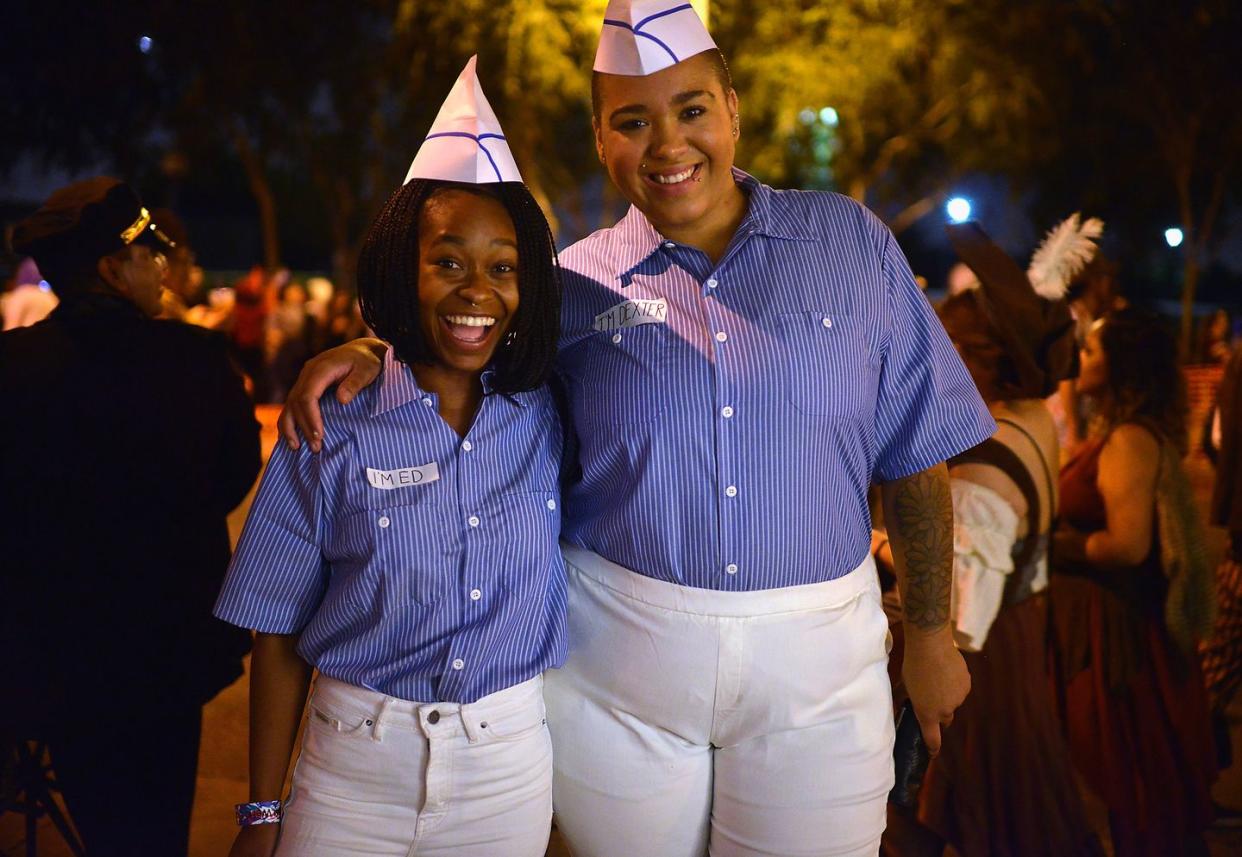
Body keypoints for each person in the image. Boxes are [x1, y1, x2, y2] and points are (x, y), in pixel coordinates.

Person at [280, 5, 994, 854]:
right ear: (600, 137)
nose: (667, 143)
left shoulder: (849, 242)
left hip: (819, 675)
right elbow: (461, 346)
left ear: (731, 107)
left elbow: (917, 451)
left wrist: (930, 633)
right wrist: (371, 349)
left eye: (691, 109)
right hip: (614, 672)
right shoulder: (568, 289)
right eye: (632, 120)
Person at [215, 59, 566, 857]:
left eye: (503, 267)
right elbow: (275, 628)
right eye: (447, 261)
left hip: (506, 768)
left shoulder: (549, 407)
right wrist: (260, 812)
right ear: (400, 268)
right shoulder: (331, 421)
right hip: (351, 768)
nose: (476, 290)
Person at [0, 177, 261, 857]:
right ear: (115, 269)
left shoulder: (14, 368)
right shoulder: (197, 361)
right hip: (166, 654)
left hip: (49, 655)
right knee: (157, 822)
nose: (164, 265)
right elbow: (233, 476)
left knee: (96, 812)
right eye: (149, 252)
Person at [881, 221, 1101, 856]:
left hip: (981, 671)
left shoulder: (982, 469)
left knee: (950, 814)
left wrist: (880, 549)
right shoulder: (1032, 420)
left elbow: (959, 611)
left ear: (980, 361)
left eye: (947, 348)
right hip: (1022, 636)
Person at [1052, 307, 1218, 857]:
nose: (1082, 359)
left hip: (1120, 633)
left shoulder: (1128, 440)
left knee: (1128, 772)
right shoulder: (1119, 432)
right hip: (1109, 622)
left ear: (1124, 365)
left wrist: (1054, 546)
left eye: (1093, 351)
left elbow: (1128, 545)